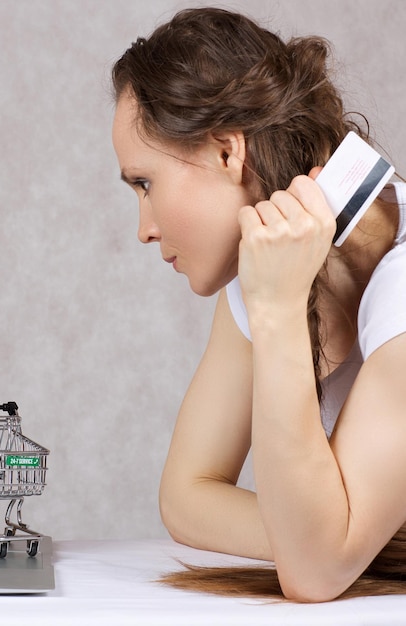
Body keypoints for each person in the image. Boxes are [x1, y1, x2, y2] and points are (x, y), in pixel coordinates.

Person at [111, 7, 406, 602]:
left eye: (145, 184)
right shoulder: (266, 268)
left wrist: (276, 308)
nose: (143, 228)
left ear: (226, 153)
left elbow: (316, 573)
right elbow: (187, 494)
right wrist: (324, 537)